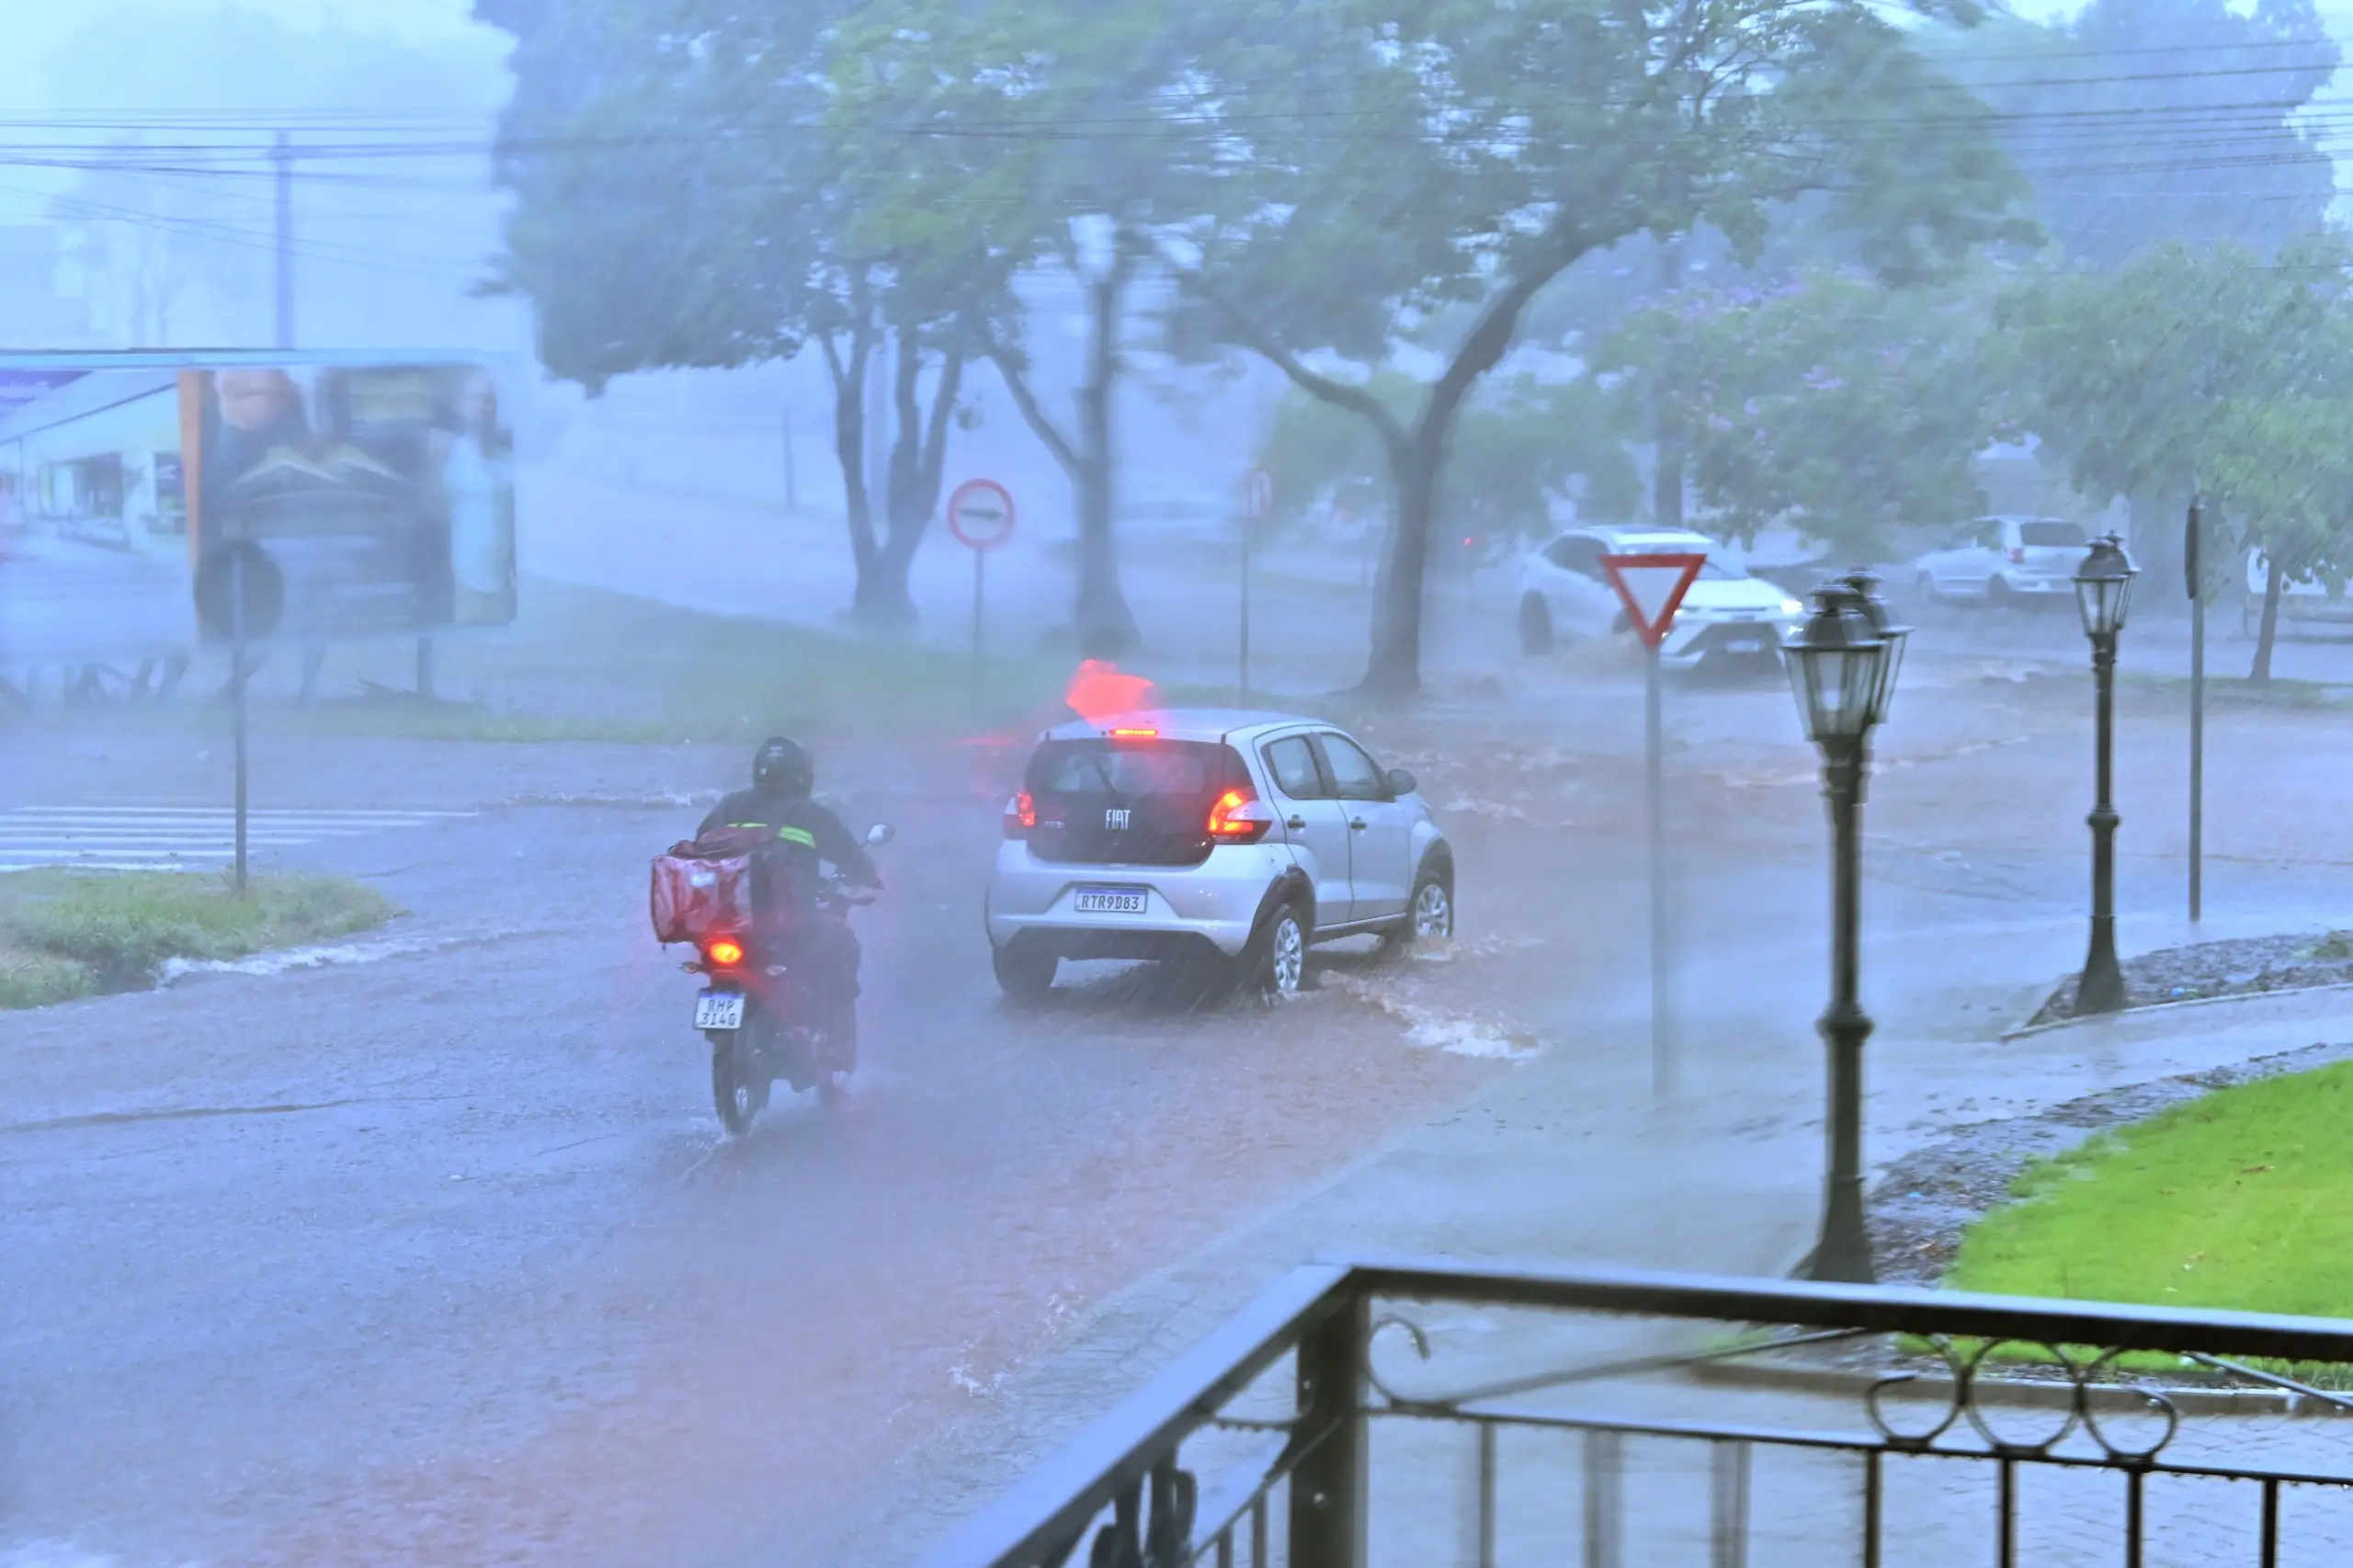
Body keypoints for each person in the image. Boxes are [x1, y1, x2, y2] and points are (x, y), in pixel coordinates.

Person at [698, 736, 880, 1069]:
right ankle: (835, 1040)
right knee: (844, 944)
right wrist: (869, 875)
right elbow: (850, 856)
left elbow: (698, 848)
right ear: (801, 776)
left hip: (729, 922)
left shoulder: (729, 807)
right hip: (790, 921)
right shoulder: (808, 813)